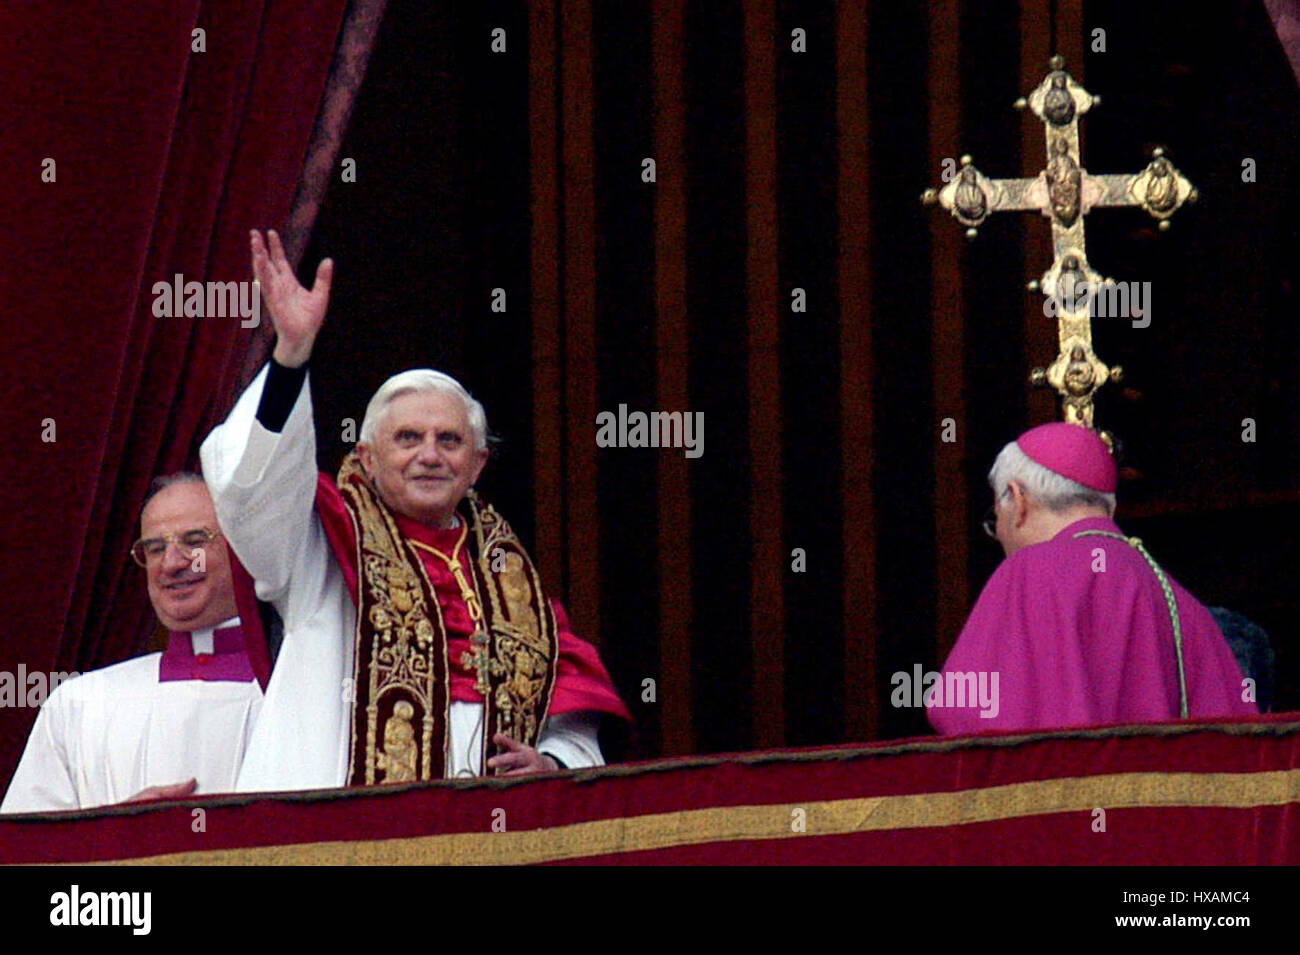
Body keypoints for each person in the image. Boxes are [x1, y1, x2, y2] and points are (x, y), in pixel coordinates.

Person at [201, 229, 630, 792]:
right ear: (369, 458)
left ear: (477, 465)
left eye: (448, 441)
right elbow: (252, 491)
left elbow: (573, 718)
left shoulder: (512, 579)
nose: (429, 455)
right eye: (408, 439)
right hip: (347, 823)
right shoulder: (321, 540)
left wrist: (553, 763)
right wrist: (290, 357)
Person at [927, 422, 1256, 736]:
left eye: (995, 520)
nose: (998, 535)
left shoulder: (1027, 572)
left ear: (1018, 500)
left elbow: (960, 708)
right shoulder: (1174, 596)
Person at [2, 475, 268, 812]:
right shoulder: (79, 702)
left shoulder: (301, 690)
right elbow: (23, 853)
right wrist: (117, 836)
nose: (172, 563)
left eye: (195, 540)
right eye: (155, 548)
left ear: (244, 546)